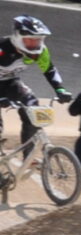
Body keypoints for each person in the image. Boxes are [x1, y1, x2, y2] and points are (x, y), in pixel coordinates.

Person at [0, 15, 69, 148]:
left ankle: (27, 157)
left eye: (38, 40)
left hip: (10, 82)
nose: (35, 44)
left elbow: (50, 70)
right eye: (30, 40)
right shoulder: (2, 49)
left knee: (34, 110)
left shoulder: (41, 51)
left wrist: (60, 89)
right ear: (18, 37)